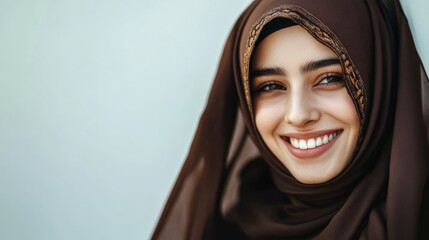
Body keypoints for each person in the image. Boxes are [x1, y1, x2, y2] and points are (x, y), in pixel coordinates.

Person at [153, 0, 429, 239]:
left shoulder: (414, 221)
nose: (298, 115)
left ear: (380, 80)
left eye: (330, 79)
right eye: (271, 86)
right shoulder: (233, 230)